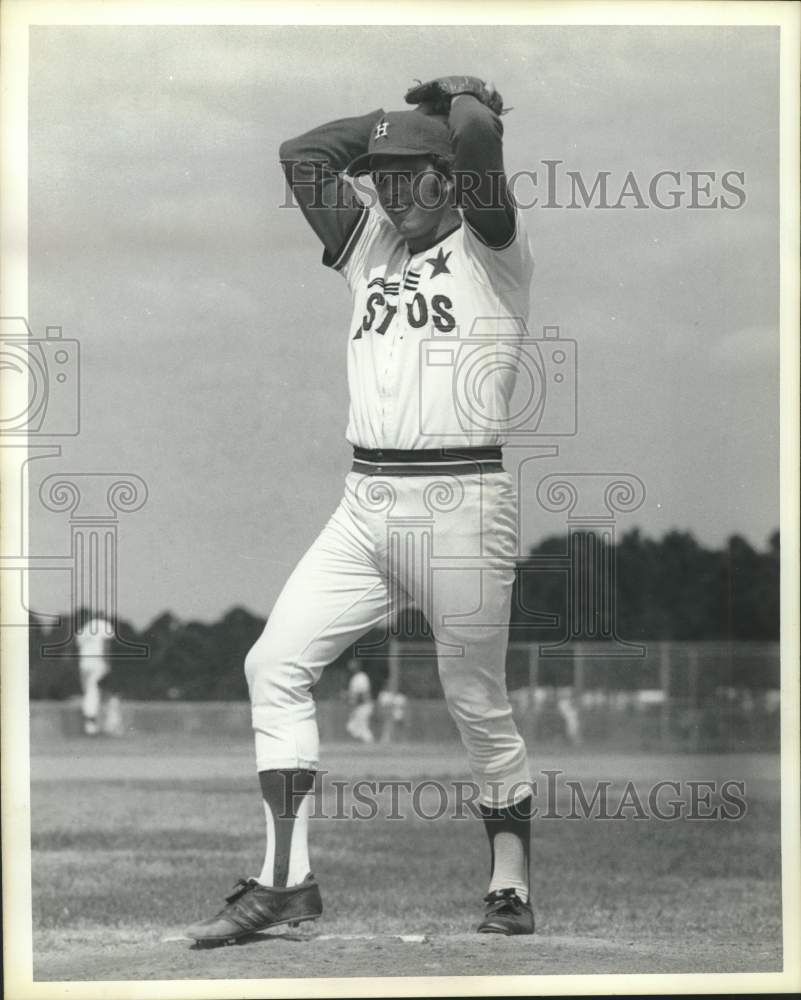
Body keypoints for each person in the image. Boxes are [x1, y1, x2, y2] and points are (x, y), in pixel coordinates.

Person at [185, 76, 535, 946]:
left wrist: (456, 104)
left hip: (462, 501)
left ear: (446, 177)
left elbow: (482, 136)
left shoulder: (494, 248)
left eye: (406, 170)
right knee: (274, 664)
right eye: (376, 171)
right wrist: (392, 123)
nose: (383, 187)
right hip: (363, 503)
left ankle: (509, 887)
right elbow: (302, 155)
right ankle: (285, 880)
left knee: (474, 699)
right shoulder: (366, 244)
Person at [75, 614, 113, 735]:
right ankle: (96, 724)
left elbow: (79, 646)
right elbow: (106, 645)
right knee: (96, 693)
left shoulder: (84, 628)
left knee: (90, 692)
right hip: (98, 663)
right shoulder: (104, 625)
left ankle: (91, 725)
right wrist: (107, 662)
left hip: (84, 664)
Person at [345, 661, 375, 743]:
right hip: (358, 706)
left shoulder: (361, 677)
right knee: (352, 727)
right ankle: (365, 746)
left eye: (353, 665)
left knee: (362, 728)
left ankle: (371, 745)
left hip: (363, 706)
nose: (350, 666)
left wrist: (353, 705)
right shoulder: (354, 678)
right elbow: (354, 694)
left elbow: (362, 694)